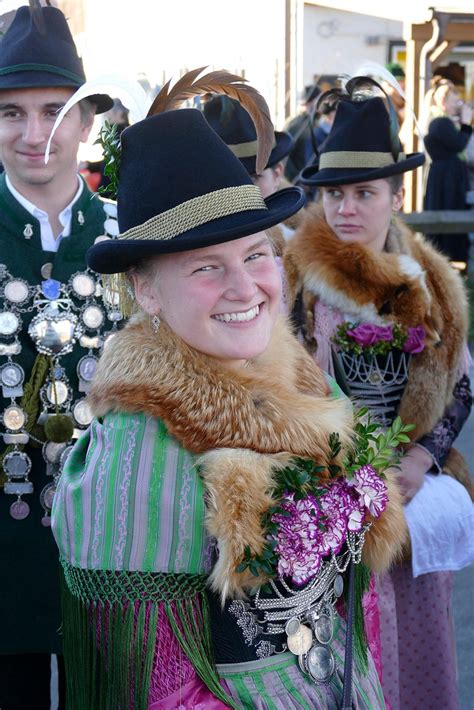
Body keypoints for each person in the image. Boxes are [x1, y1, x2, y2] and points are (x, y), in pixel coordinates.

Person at [51, 70, 407, 709]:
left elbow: (353, 606)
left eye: (256, 254)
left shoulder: (300, 374)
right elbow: (153, 691)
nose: (246, 289)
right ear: (147, 291)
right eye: (206, 267)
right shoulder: (139, 449)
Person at [283, 82, 474, 710]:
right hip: (325, 490)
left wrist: (421, 459)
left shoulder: (432, 280)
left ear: (396, 196)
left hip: (410, 494)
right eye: (334, 193)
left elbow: (460, 380)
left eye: (364, 193)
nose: (345, 208)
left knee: (415, 642)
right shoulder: (293, 277)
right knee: (331, 651)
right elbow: (276, 382)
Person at [0, 5, 113, 708]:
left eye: (54, 111)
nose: (35, 134)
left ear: (87, 121)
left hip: (109, 549)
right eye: (11, 113)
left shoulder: (132, 236)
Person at [203, 94, 298, 246]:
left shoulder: (302, 253)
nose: (243, 194)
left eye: (254, 178)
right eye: (227, 181)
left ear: (277, 174)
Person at [422, 76, 473, 269]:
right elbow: (459, 144)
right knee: (448, 213)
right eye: (455, 101)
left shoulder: (442, 122)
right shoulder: (440, 122)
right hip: (447, 179)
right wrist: (467, 123)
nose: (458, 105)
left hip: (446, 176)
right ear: (443, 102)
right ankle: (448, 256)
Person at [284, 83, 321, 182]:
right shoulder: (295, 125)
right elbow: (285, 157)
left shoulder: (323, 123)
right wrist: (297, 179)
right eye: (308, 103)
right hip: (302, 181)